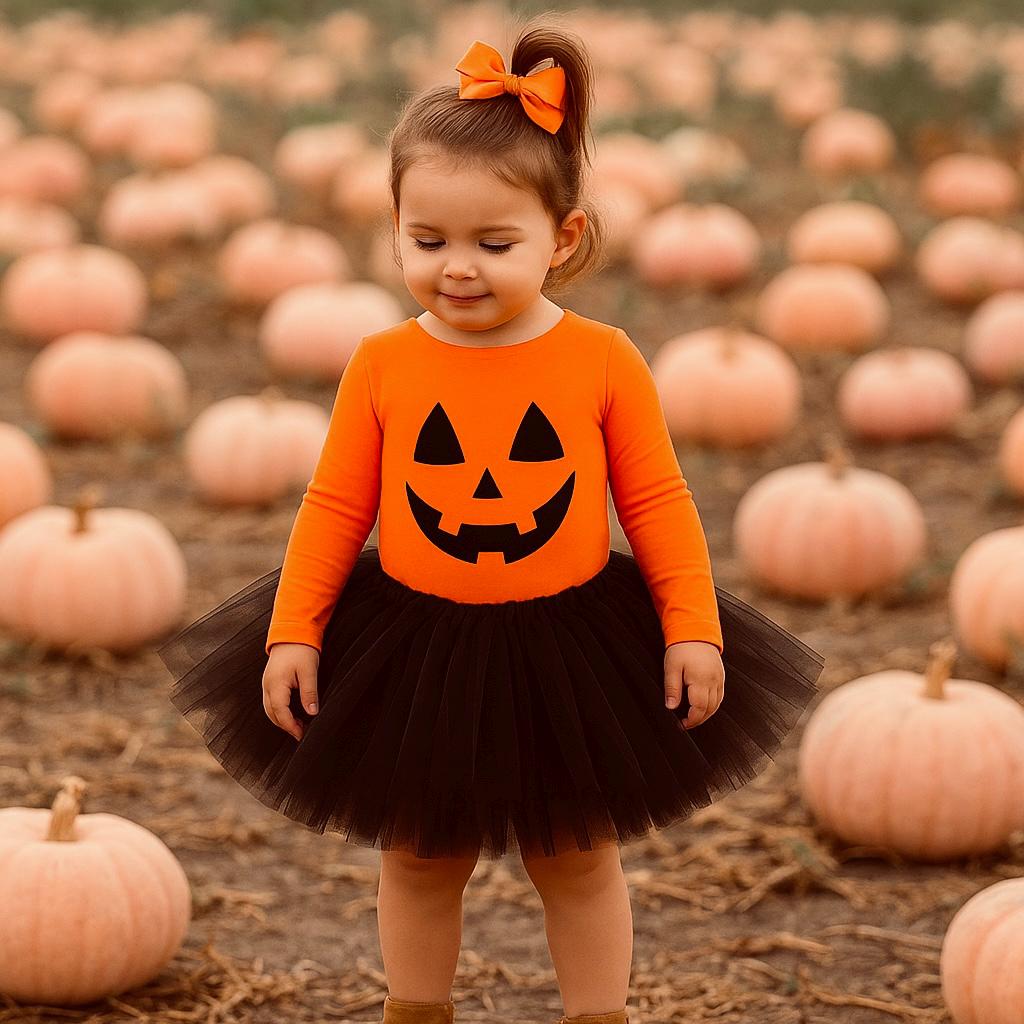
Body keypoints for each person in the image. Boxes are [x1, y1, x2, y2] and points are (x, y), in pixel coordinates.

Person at [157, 16, 825, 1024]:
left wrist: (691, 626)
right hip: (416, 644)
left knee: (579, 858)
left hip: (569, 644)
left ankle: (594, 1015)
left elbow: (654, 502)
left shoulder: (601, 359)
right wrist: (294, 630)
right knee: (421, 856)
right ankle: (415, 1011)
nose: (456, 267)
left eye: (492, 242)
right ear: (392, 225)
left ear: (562, 239)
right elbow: (337, 505)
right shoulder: (383, 362)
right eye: (426, 240)